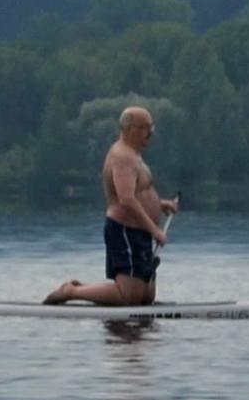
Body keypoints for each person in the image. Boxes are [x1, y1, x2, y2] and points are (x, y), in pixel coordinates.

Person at [45, 106, 177, 306]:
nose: (150, 133)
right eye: (145, 128)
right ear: (128, 129)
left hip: (140, 232)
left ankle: (83, 288)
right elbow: (126, 200)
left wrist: (159, 204)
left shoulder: (134, 155)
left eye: (152, 128)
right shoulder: (122, 157)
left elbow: (137, 193)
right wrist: (155, 230)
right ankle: (72, 291)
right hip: (125, 229)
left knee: (145, 296)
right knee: (128, 296)